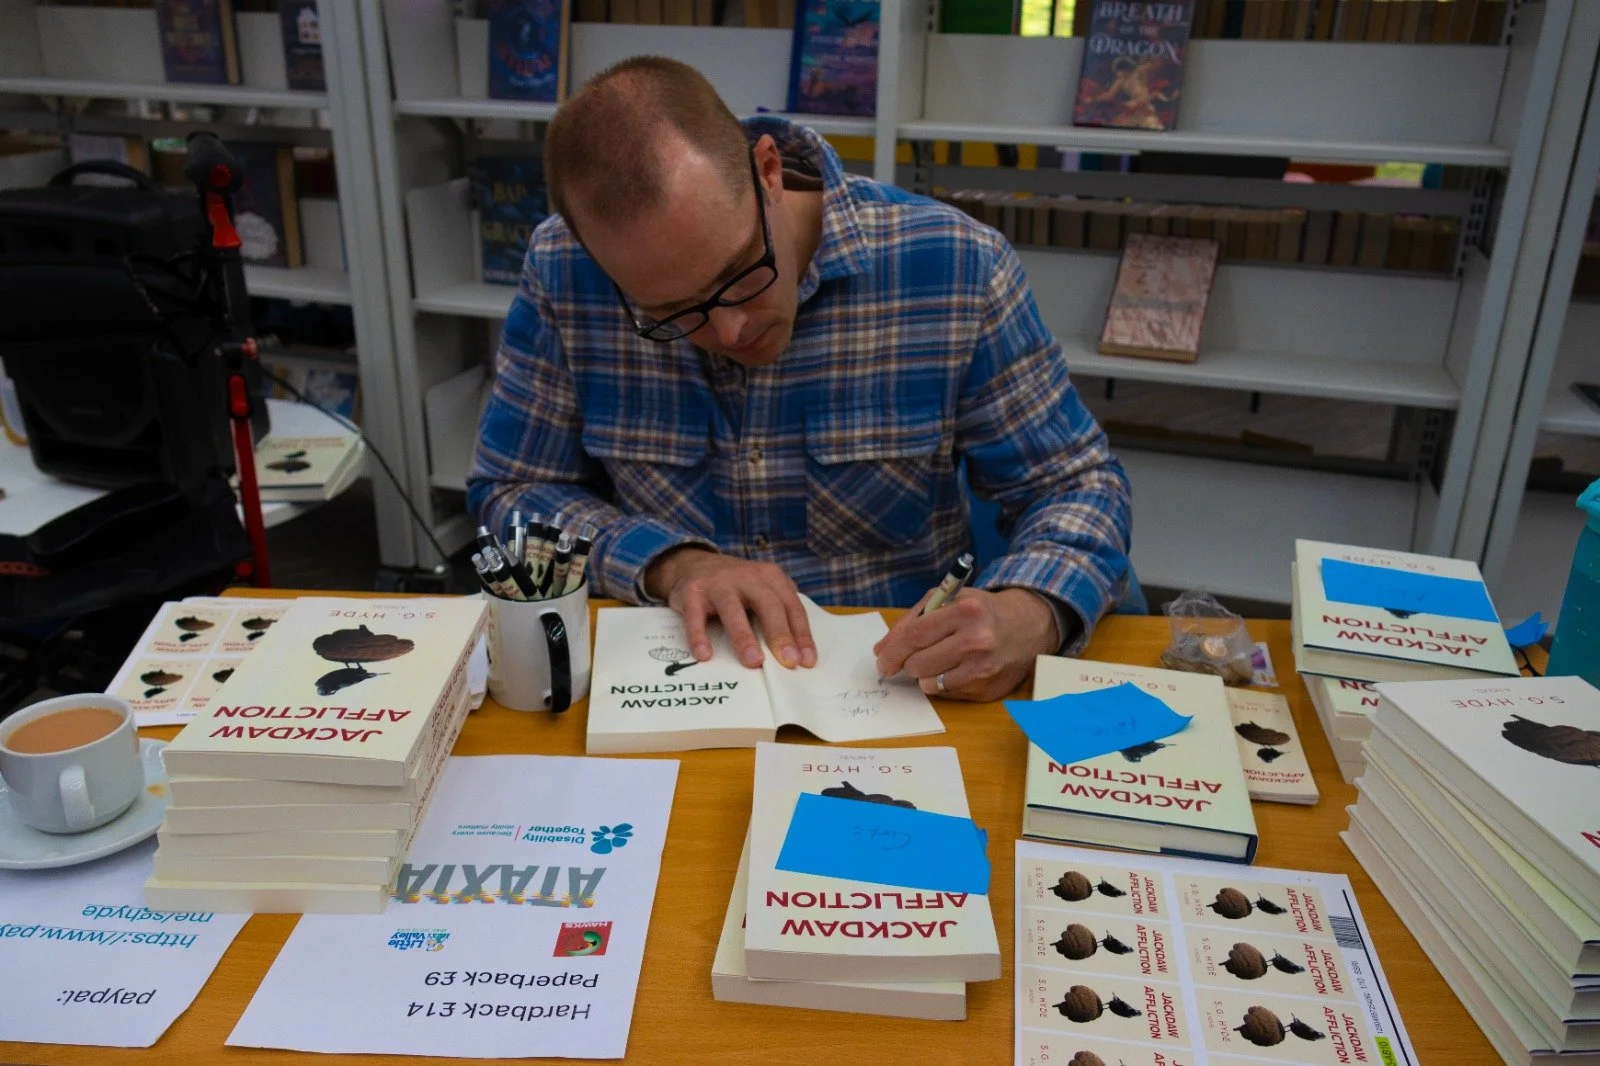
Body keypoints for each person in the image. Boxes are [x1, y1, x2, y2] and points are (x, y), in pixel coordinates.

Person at [468, 57, 1133, 702]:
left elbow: (1076, 484)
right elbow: (514, 490)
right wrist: (671, 564)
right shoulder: (562, 269)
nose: (729, 331)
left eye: (739, 275)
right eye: (671, 313)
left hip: (897, 686)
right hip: (667, 683)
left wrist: (1032, 609)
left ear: (768, 172)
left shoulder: (955, 265)